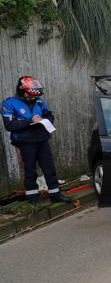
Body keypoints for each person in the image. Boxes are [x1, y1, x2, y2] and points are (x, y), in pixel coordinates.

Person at [1, 76, 71, 204]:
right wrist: (30, 121)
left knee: (49, 167)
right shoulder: (8, 103)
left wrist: (46, 120)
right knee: (30, 169)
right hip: (25, 141)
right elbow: (9, 126)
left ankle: (55, 195)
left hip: (42, 138)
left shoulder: (39, 100)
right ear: (22, 90)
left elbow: (49, 115)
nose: (32, 98)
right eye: (30, 95)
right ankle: (33, 198)